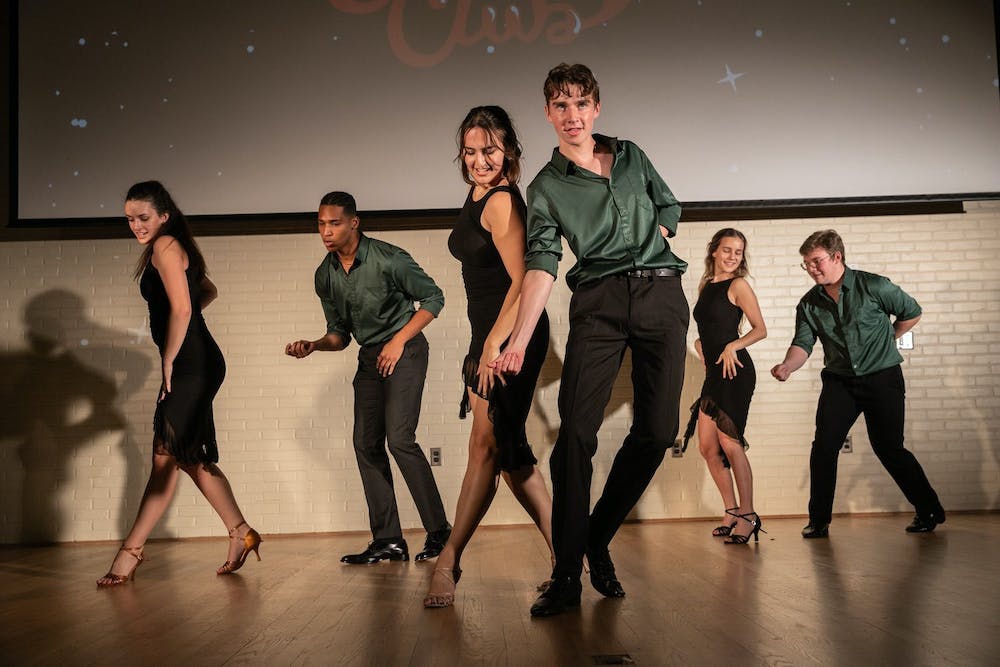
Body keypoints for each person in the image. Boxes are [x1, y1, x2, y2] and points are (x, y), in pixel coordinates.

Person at [493, 63, 690, 617]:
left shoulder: (632, 156)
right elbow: (540, 266)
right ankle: (565, 574)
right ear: (549, 114)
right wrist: (516, 339)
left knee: (659, 431)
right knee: (576, 433)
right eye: (560, 105)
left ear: (596, 107)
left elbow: (669, 204)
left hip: (661, 297)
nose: (572, 115)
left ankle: (596, 537)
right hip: (599, 305)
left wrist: (657, 234)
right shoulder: (547, 187)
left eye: (580, 103)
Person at [423, 106, 555, 609]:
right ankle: (569, 557)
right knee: (508, 452)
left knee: (487, 447)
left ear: (510, 152)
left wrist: (495, 343)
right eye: (472, 151)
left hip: (512, 332)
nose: (479, 160)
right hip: (492, 333)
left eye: (490, 151)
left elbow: (524, 281)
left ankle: (449, 558)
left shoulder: (501, 202)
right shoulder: (478, 192)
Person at [97, 180, 261, 586]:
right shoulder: (170, 246)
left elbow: (185, 307)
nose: (135, 225)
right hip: (197, 361)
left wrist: (169, 356)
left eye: (143, 217)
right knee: (185, 455)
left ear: (164, 215)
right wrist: (178, 339)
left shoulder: (165, 246)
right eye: (130, 219)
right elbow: (206, 291)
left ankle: (130, 552)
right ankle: (241, 533)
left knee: (165, 454)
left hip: (192, 364)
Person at [285, 192, 451, 563]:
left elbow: (434, 299)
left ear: (353, 223)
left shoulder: (388, 258)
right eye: (321, 224)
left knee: (401, 440)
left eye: (334, 223)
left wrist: (398, 340)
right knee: (365, 443)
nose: (326, 232)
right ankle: (389, 541)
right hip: (369, 358)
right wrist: (314, 345)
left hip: (405, 351)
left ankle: (440, 534)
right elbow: (340, 335)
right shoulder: (325, 275)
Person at [770, 230, 945, 538]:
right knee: (823, 448)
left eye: (815, 261)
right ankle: (819, 520)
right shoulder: (809, 303)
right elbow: (802, 343)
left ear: (837, 257)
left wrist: (889, 339)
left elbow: (912, 312)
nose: (811, 269)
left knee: (889, 448)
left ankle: (928, 509)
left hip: (883, 378)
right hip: (840, 382)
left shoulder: (874, 286)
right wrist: (788, 366)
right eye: (806, 264)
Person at [682, 229, 767, 544]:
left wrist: (733, 346)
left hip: (736, 371)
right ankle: (731, 510)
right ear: (714, 251)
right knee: (706, 446)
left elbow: (760, 329)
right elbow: (708, 329)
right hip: (714, 373)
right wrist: (700, 344)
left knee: (730, 444)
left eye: (739, 252)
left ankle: (748, 514)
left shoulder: (738, 285)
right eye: (728, 250)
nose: (733, 256)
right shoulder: (708, 285)